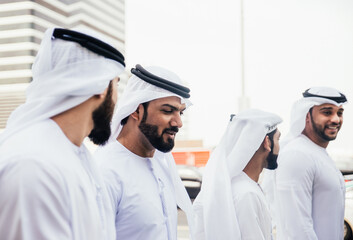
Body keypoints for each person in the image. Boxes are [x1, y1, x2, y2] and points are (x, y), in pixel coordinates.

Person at [0, 27, 126, 239]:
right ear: (102, 86)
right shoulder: (34, 164)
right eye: (116, 84)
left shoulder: (75, 155)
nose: (116, 100)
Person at [94, 64, 195, 240]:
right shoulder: (105, 171)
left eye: (180, 113)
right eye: (167, 111)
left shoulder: (161, 167)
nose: (178, 123)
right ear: (136, 110)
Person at [193, 109, 282, 240]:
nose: (280, 147)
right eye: (278, 139)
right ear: (267, 142)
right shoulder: (246, 193)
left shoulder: (237, 186)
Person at [271, 87, 347, 239]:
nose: (335, 119)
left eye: (339, 113)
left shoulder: (317, 153)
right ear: (306, 115)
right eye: (327, 112)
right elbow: (298, 227)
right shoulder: (297, 155)